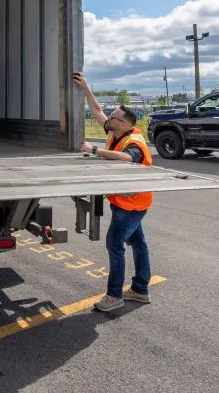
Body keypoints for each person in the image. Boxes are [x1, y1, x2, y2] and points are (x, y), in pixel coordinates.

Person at [73, 70, 153, 312]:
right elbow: (97, 112)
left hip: (131, 205)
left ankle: (114, 295)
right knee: (138, 244)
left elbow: (128, 158)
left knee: (114, 244)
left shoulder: (133, 142)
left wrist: (94, 150)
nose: (110, 119)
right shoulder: (117, 132)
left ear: (126, 124)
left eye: (115, 117)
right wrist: (87, 88)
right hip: (128, 203)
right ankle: (140, 289)